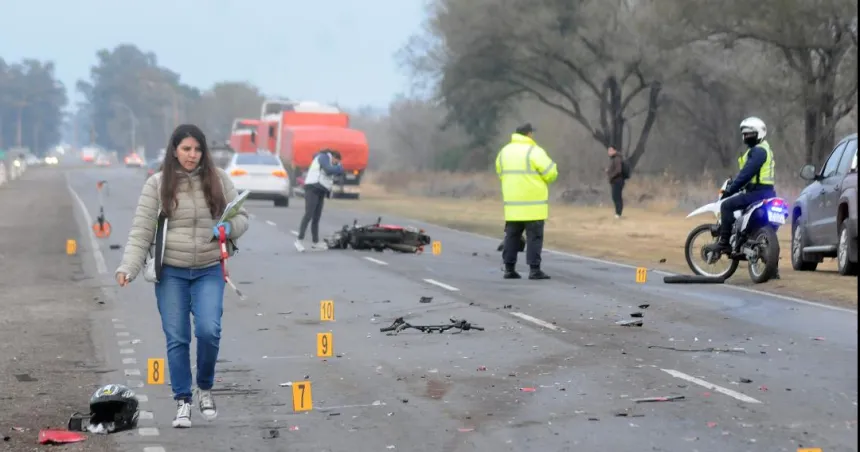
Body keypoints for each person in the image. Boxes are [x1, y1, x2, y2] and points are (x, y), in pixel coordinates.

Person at [115, 124, 250, 429]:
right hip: (171, 272)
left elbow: (242, 216)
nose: (192, 155)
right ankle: (183, 401)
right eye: (186, 149)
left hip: (209, 269)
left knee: (209, 330)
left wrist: (228, 228)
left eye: (197, 149)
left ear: (204, 152)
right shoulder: (157, 184)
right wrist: (128, 268)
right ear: (174, 149)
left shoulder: (218, 180)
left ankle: (204, 387)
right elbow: (141, 231)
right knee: (177, 338)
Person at [705, 116, 776, 255]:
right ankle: (772, 268)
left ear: (759, 133)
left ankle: (724, 243)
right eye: (744, 134)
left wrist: (730, 190)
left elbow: (746, 174)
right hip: (768, 193)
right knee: (764, 229)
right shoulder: (766, 149)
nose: (746, 137)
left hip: (756, 193)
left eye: (749, 134)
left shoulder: (758, 151)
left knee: (726, 206)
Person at [495, 123, 558, 279]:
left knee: (512, 237)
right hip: (533, 205)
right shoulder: (534, 151)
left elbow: (500, 172)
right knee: (534, 238)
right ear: (529, 134)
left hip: (512, 205)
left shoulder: (504, 152)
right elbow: (551, 173)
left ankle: (509, 269)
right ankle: (534, 269)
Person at [294, 149, 345, 252]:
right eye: (336, 162)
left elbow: (336, 173)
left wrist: (339, 169)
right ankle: (299, 240)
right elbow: (328, 170)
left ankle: (315, 242)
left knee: (316, 217)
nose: (336, 164)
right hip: (312, 188)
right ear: (334, 157)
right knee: (308, 214)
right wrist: (339, 168)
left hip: (321, 190)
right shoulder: (323, 157)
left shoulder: (329, 161)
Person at [605, 146, 625, 218]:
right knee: (615, 197)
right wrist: (608, 171)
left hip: (618, 181)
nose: (609, 152)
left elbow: (618, 170)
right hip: (615, 181)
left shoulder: (617, 159)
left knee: (617, 197)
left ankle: (618, 213)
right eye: (608, 151)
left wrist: (611, 175)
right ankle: (617, 213)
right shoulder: (614, 159)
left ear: (614, 151)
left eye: (610, 150)